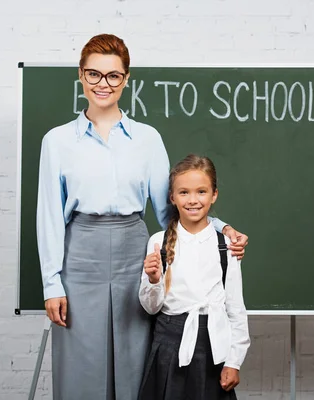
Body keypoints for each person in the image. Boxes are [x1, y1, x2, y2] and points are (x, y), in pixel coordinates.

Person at [36, 34, 249, 400]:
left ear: (126, 78)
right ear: (81, 76)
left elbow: (174, 211)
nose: (103, 84)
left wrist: (220, 227)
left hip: (136, 255)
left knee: (136, 361)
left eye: (114, 76)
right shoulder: (56, 141)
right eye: (94, 74)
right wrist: (52, 283)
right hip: (79, 256)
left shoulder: (147, 139)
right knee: (79, 365)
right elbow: (50, 216)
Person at [138, 154, 250, 400]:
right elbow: (151, 307)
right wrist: (154, 281)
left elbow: (235, 308)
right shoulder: (159, 242)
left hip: (213, 348)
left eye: (201, 191)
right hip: (169, 344)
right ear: (172, 197)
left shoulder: (226, 244)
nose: (193, 200)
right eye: (184, 192)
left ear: (214, 195)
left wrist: (234, 361)